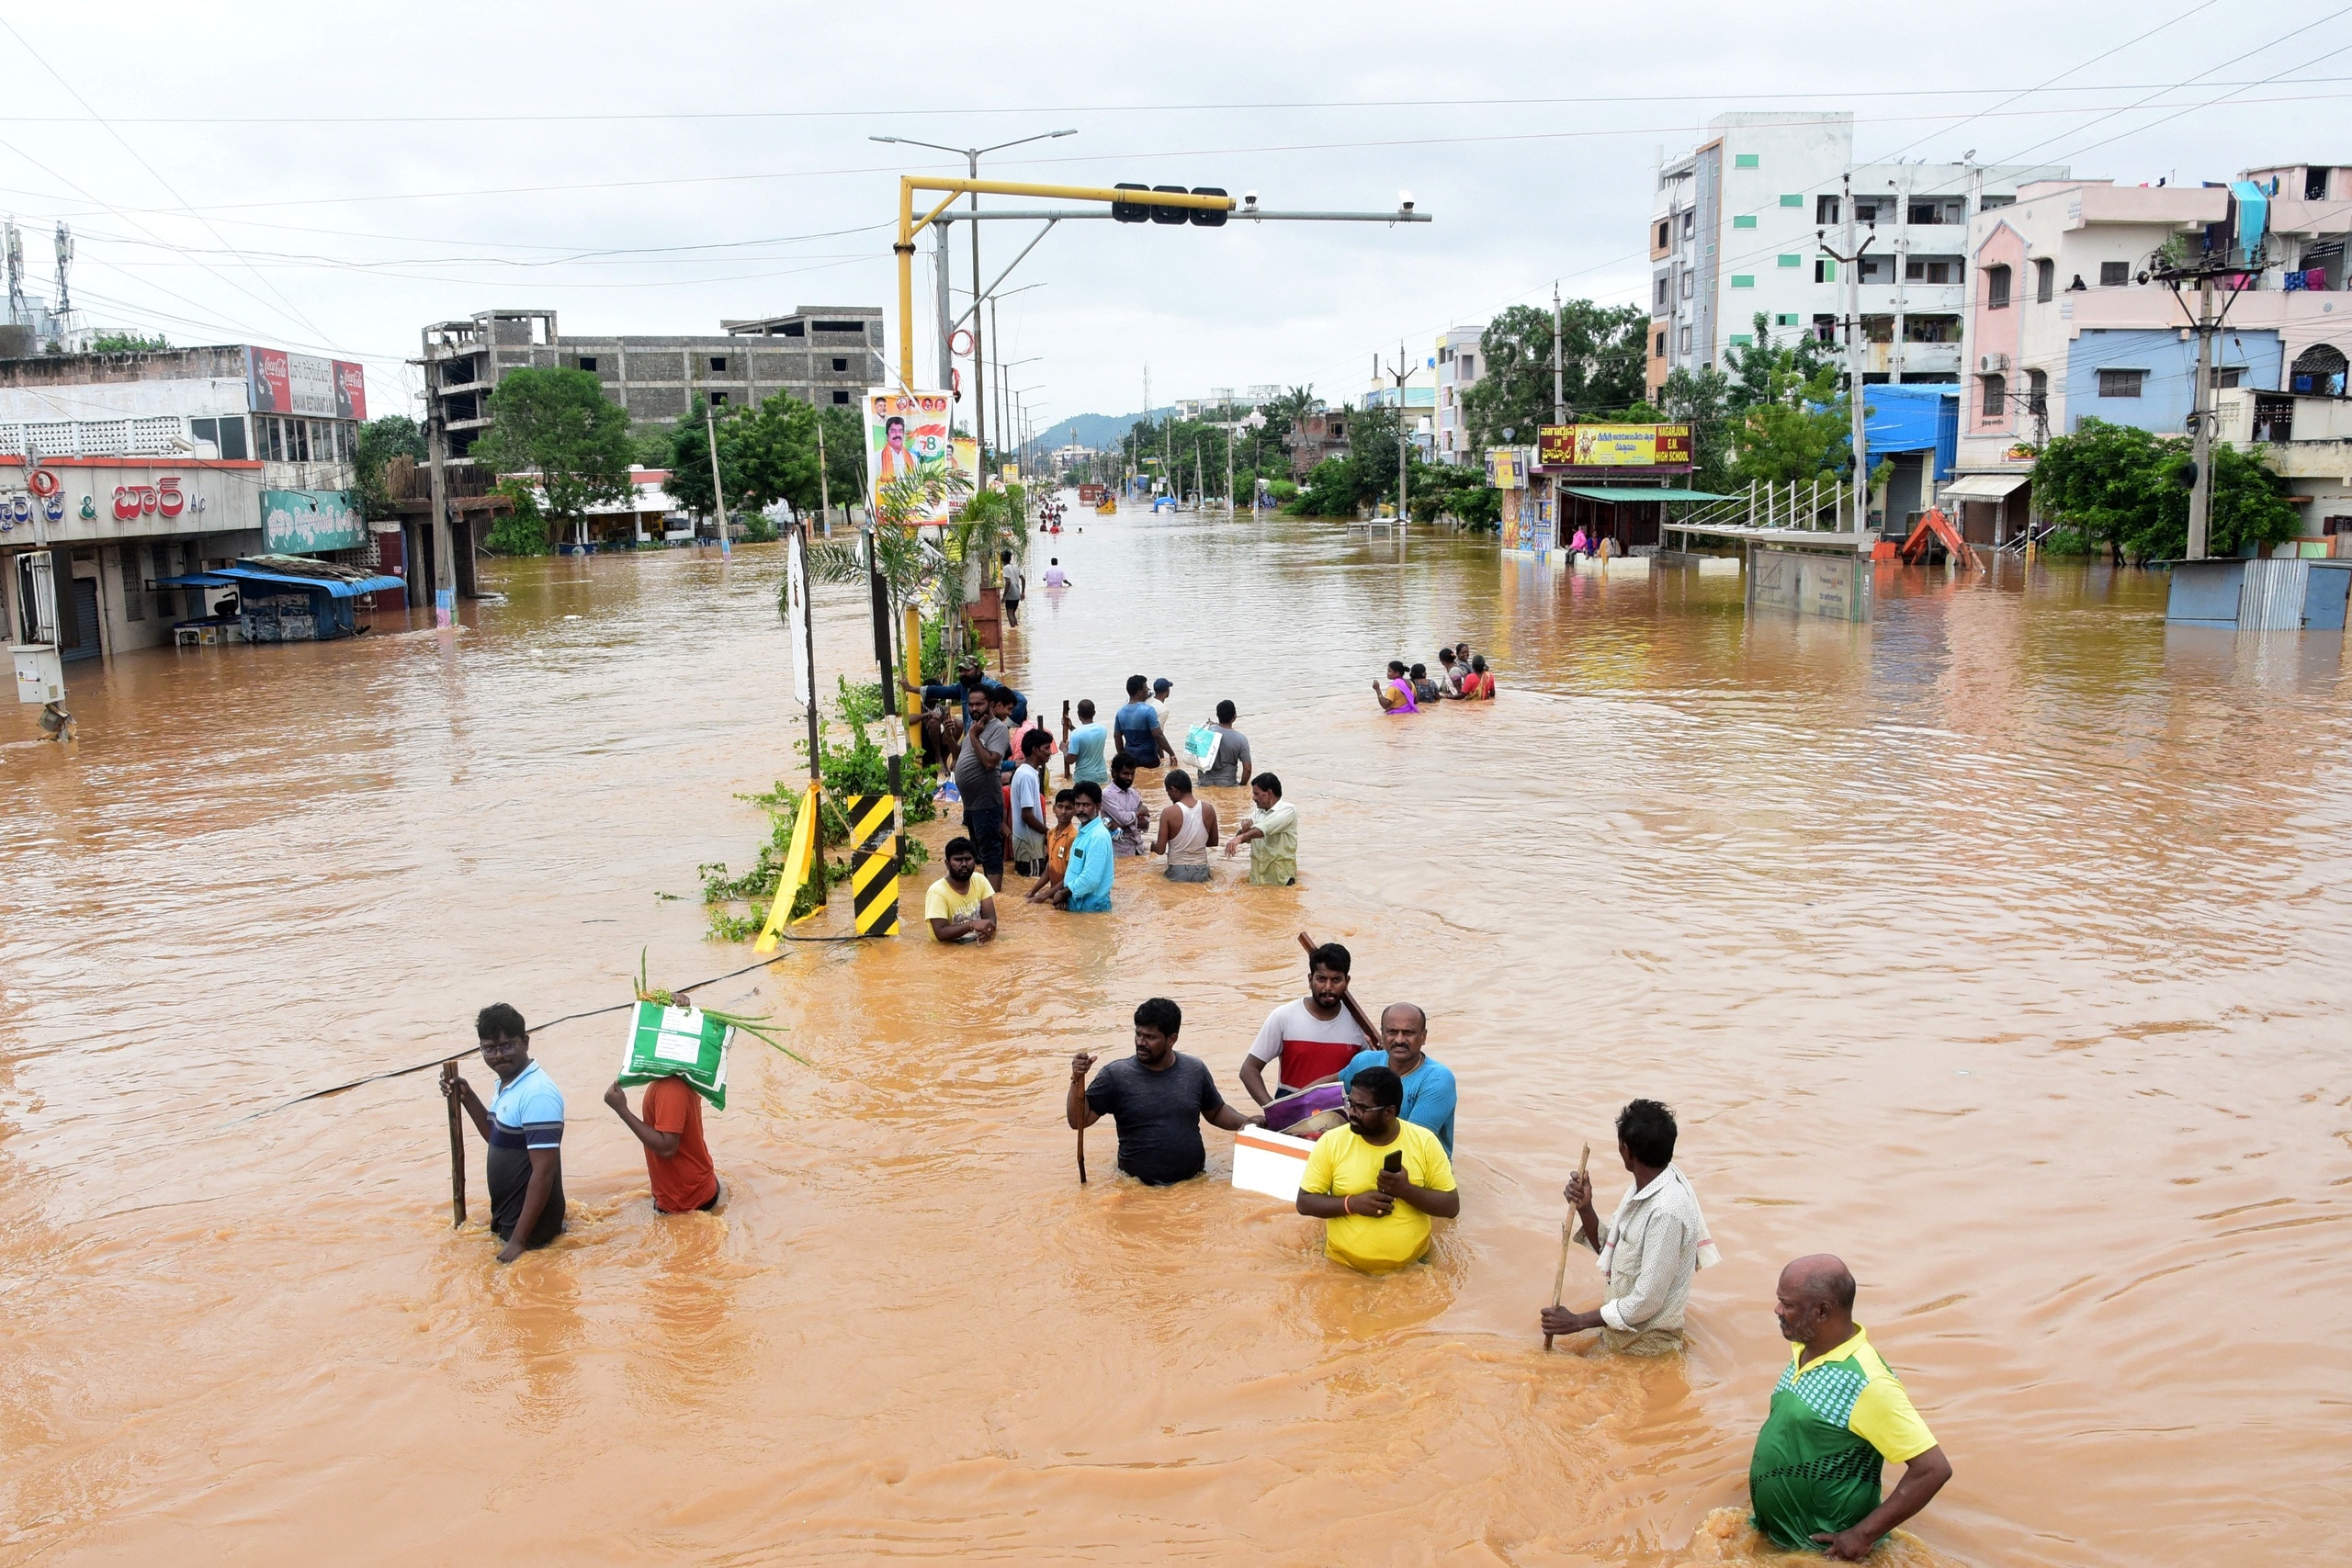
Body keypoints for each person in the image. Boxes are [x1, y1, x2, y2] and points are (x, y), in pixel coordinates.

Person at [1748, 1256, 1953, 1561]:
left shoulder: (1867, 1383)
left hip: (1823, 1554)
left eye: (1787, 1304)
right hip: (1780, 1543)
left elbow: (1933, 1470)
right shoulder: (1804, 1349)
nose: (1778, 1310)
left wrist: (1861, 1535)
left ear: (1822, 1311)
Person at [1539, 1099, 1719, 1355]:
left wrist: (1577, 1322)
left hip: (1645, 1350)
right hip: (1618, 1340)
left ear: (1626, 1151)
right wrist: (1585, 1208)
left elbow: (1646, 1302)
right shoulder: (1642, 1191)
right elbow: (1608, 1250)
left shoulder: (1666, 1212)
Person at [1068, 997, 1258, 1185]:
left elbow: (1216, 1112)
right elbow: (1079, 1121)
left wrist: (1246, 1122)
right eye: (1138, 1034)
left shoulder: (1195, 1070)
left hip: (1194, 1186)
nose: (1141, 1042)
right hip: (1137, 1189)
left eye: (1150, 1037)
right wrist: (1076, 1079)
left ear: (1172, 1039)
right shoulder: (1115, 1076)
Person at [1295, 1066, 1459, 1273]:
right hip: (1343, 1269)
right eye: (1350, 1103)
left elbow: (1451, 1206)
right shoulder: (1332, 1142)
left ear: (1389, 1112)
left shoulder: (1424, 1142)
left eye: (1361, 1108)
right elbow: (1305, 1202)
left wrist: (1406, 1191)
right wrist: (1351, 1204)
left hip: (1411, 1270)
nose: (1351, 1113)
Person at [440, 1003, 565, 1263]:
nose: (499, 1056)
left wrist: (518, 1243)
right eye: (490, 1049)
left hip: (532, 1234)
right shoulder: (508, 1085)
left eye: (507, 1046)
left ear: (525, 1042)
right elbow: (498, 1139)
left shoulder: (537, 1094)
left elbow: (543, 1172)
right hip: (510, 1221)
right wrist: (467, 1097)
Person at [1238, 942, 1372, 1107]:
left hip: (1341, 1122)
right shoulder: (1284, 1017)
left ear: (1347, 981)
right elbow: (1249, 1070)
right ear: (1310, 980)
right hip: (1292, 1120)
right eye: (1321, 979)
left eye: (1336, 980)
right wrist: (1274, 1110)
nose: (1328, 987)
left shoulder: (1359, 1025)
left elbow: (1372, 1077)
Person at [1328, 1003, 1457, 1154]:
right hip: (1365, 1156)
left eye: (1408, 1033)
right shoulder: (1364, 1062)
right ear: (1382, 1035)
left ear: (1424, 1036)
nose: (1400, 1040)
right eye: (1392, 1032)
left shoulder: (1437, 1080)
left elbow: (1413, 1145)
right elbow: (1328, 1087)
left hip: (1416, 1166)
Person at [603, 1075, 720, 1214]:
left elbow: (667, 1148)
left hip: (688, 1201)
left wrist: (622, 1110)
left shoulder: (671, 1087)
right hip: (688, 1192)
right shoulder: (674, 1081)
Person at [955, 688, 1012, 884]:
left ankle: (996, 899)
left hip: (986, 802)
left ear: (991, 704)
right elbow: (961, 757)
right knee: (978, 854)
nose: (974, 708)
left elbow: (990, 763)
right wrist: (949, 737)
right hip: (971, 805)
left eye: (979, 704)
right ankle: (986, 896)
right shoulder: (976, 726)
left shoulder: (998, 729)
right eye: (970, 704)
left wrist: (973, 735)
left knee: (990, 852)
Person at [903, 656, 1028, 725]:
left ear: (978, 670)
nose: (963, 674)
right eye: (961, 671)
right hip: (971, 737)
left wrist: (1007, 723)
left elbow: (1021, 699)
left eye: (967, 670)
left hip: (989, 739)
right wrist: (911, 688)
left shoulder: (992, 687)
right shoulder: (962, 688)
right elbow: (939, 691)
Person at [1223, 772, 1297, 886]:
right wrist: (1243, 831)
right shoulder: (1258, 813)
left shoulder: (1288, 810)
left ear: (1269, 793)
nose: (1253, 798)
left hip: (1281, 881)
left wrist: (1240, 837)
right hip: (1257, 880)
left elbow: (1264, 829)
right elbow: (1245, 836)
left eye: (1256, 794)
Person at [1054, 780, 1114, 913]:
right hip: (1078, 904)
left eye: (1086, 805)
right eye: (1077, 804)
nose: (1080, 809)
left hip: (1092, 907)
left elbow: (1090, 879)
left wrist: (1064, 893)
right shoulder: (1083, 831)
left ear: (1098, 806)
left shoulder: (1098, 836)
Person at [924, 836, 998, 942]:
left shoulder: (980, 880)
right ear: (947, 864)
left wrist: (987, 931)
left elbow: (990, 919)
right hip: (949, 950)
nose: (964, 864)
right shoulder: (937, 892)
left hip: (976, 943)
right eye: (958, 860)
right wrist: (971, 925)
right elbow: (940, 933)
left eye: (968, 859)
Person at [1151, 768, 1218, 883]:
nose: (1169, 796)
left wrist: (1153, 847)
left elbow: (1161, 850)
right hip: (1201, 870)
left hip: (1177, 870)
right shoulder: (1209, 809)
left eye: (1168, 792)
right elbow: (1214, 842)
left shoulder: (1168, 812)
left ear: (1173, 790)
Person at [1010, 728, 1052, 876]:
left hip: (1027, 843)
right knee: (1031, 883)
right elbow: (1026, 815)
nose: (1050, 752)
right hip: (1029, 844)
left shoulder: (1026, 772)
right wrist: (1049, 833)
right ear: (1035, 750)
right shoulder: (1027, 775)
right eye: (1046, 748)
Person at [1114, 674, 1173, 769]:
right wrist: (1171, 753)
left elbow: (1117, 737)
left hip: (1130, 758)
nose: (1148, 690)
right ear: (1139, 692)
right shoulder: (1148, 711)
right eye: (1145, 688)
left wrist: (1122, 756)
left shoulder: (1120, 712)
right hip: (1149, 759)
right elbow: (1158, 735)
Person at [1029, 789, 1078, 904]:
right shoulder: (1050, 834)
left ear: (1075, 811)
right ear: (1054, 809)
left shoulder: (1073, 837)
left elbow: (1071, 875)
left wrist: (1043, 896)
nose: (1063, 812)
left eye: (1068, 808)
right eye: (1060, 807)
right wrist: (1033, 891)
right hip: (1052, 894)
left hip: (1064, 897)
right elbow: (1050, 868)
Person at [1102, 753, 1149, 856]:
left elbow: (1146, 821)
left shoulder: (1134, 793)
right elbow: (1125, 819)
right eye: (1126, 774)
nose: (1130, 778)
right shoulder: (1107, 795)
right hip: (1118, 853)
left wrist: (1121, 825)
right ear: (1114, 772)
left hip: (1138, 849)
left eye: (1132, 774)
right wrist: (1139, 812)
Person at [1197, 699, 1253, 787]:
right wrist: (1242, 785)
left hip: (1204, 782)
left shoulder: (1206, 731)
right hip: (1228, 784)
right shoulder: (1241, 739)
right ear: (1234, 717)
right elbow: (1247, 769)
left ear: (1217, 715)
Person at [1062, 698, 1109, 785]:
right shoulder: (1103, 729)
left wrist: (1064, 749)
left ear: (1078, 714)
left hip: (1083, 778)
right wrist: (1072, 728)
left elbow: (1070, 760)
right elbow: (1088, 737)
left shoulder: (1076, 734)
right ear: (1094, 713)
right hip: (1101, 776)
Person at [1000, 548, 1024, 628]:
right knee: (1013, 613)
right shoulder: (1016, 566)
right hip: (1017, 593)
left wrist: (1004, 596)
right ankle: (1016, 629)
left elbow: (1008, 582)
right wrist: (1023, 592)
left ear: (1002, 559)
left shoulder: (1006, 568)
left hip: (1010, 594)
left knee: (1009, 613)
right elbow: (1023, 579)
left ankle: (1013, 630)